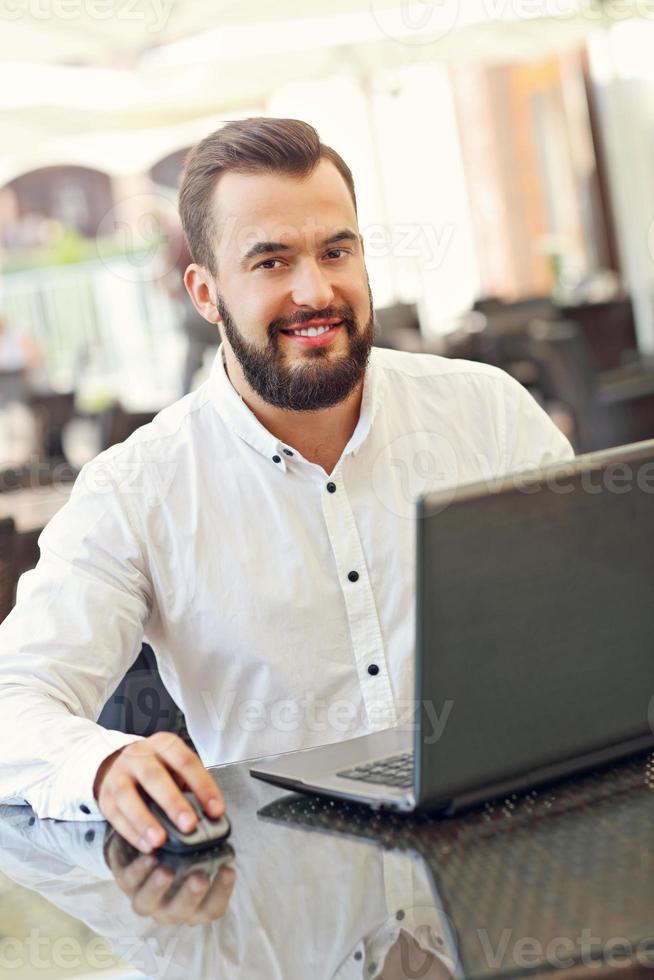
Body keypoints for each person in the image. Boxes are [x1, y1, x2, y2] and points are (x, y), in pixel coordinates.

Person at [0, 118, 573, 856]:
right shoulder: (136, 489)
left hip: (525, 854)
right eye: (271, 262)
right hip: (287, 905)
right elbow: (14, 700)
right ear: (206, 293)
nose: (315, 290)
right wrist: (104, 761)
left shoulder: (485, 412)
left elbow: (609, 609)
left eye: (337, 250)